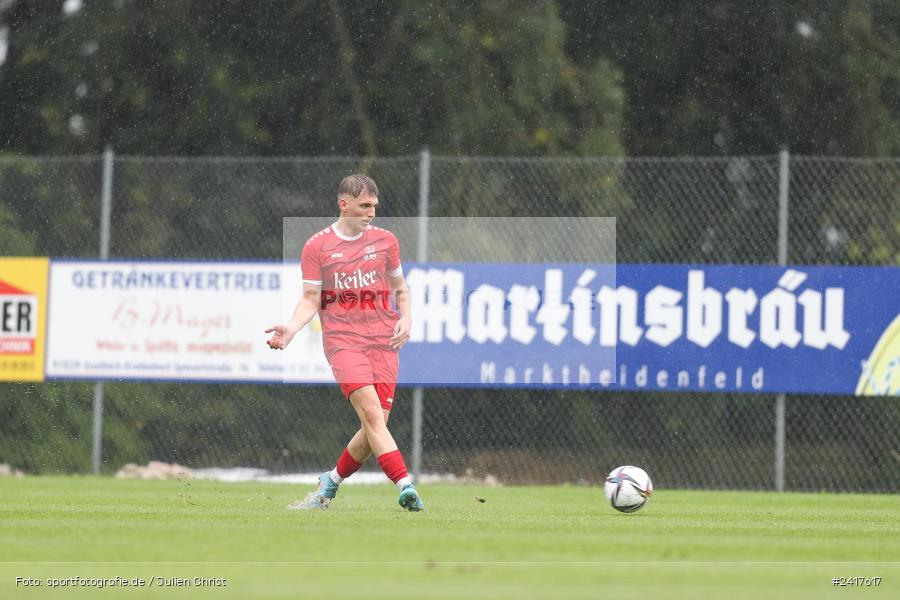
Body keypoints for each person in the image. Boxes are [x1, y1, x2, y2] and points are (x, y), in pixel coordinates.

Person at [265, 174, 423, 512]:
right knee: (370, 414)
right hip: (343, 342)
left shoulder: (386, 241)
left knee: (373, 427)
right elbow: (310, 299)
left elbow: (400, 288)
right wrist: (292, 327)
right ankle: (405, 485)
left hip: (384, 341)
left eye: (374, 207)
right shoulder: (317, 246)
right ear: (344, 204)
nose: (371, 213)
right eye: (364, 206)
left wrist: (406, 318)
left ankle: (330, 483)